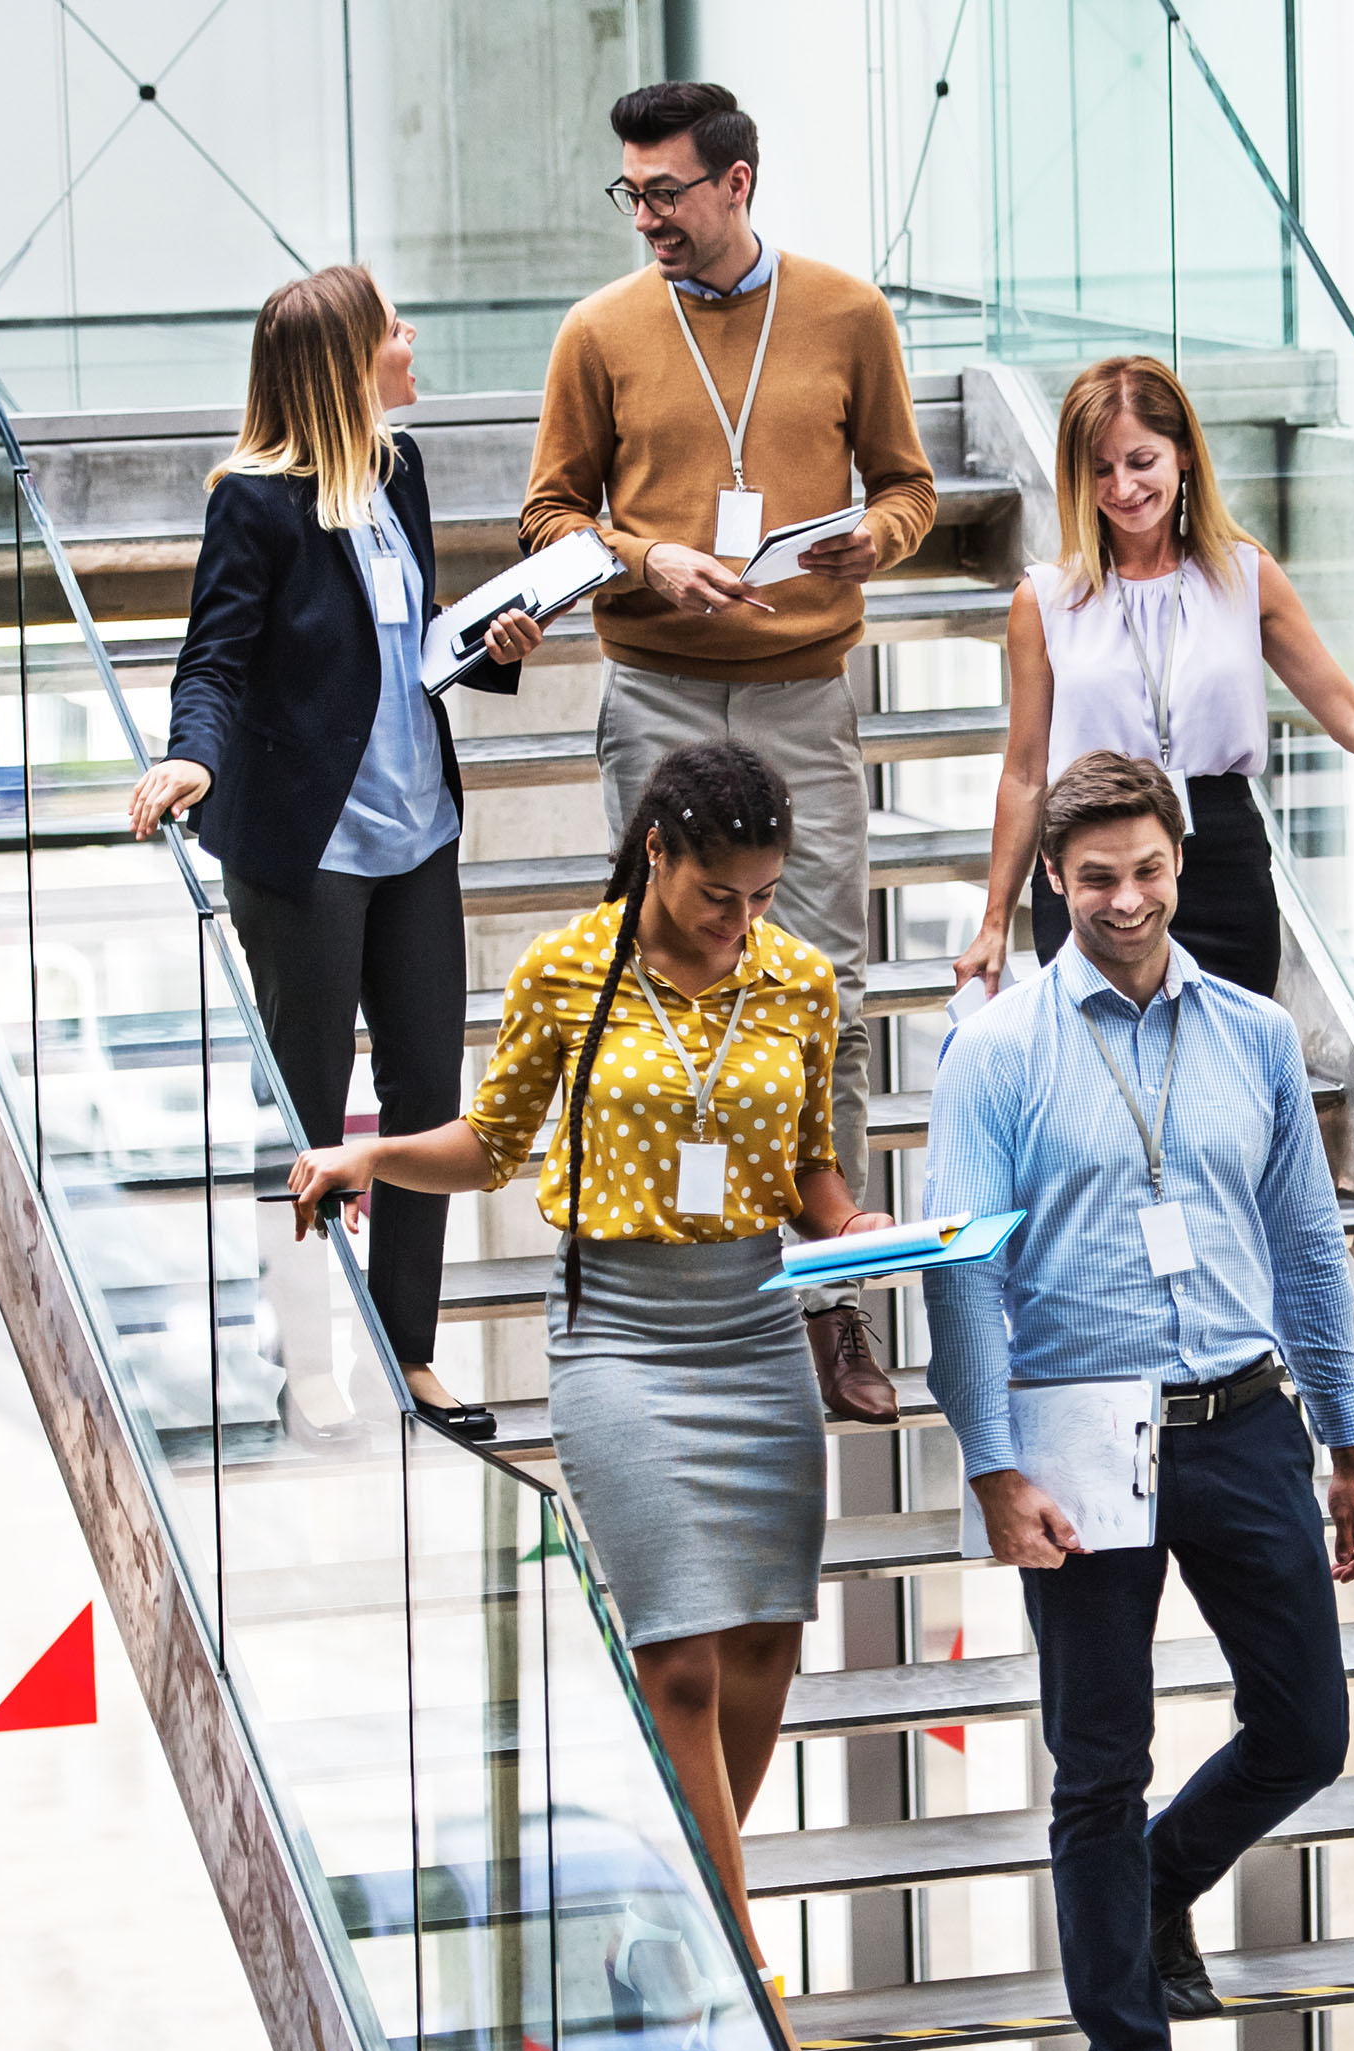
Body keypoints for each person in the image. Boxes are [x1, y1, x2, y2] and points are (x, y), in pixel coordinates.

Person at [285, 741, 884, 2051]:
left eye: (762, 896)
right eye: (719, 895)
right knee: (677, 1661)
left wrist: (885, 1240)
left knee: (762, 1655)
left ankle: (691, 1910)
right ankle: (747, 1994)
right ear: (659, 852)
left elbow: (812, 1184)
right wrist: (372, 1152)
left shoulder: (793, 981)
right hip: (617, 1333)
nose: (742, 923)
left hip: (753, 1329)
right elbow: (490, 1145)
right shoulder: (571, 969)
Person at [921, 751, 1354, 2051]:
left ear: (1182, 862)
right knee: (1098, 1767)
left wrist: (1350, 1440)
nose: (1127, 901)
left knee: (1306, 1727)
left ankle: (1163, 1883)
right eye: (1096, 878)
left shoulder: (1251, 1035)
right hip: (1078, 1433)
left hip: (1245, 1417)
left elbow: (1310, 1248)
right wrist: (992, 1470)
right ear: (1055, 883)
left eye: (1148, 870)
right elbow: (962, 1280)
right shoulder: (997, 1052)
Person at [522, 80, 936, 1430]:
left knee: (828, 993)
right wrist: (654, 560)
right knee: (654, 986)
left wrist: (872, 540)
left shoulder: (847, 315)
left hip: (805, 697)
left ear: (738, 183)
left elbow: (909, 489)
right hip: (652, 692)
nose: (647, 217)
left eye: (668, 193)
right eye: (629, 193)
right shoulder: (599, 332)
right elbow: (549, 517)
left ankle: (834, 1312)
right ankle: (660, 1303)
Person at [131, 265, 538, 1435]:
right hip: (307, 854)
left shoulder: (397, 473)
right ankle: (307, 1360)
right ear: (348, 363)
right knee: (308, 1113)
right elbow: (213, 657)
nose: (412, 338)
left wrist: (493, 644)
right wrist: (193, 758)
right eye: (392, 328)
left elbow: (409, 640)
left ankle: (403, 1355)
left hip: (418, 837)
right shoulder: (253, 503)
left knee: (426, 1098)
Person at [952, 354, 1354, 1004]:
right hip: (1094, 864)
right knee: (1106, 1090)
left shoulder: (1244, 575)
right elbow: (1027, 774)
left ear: (1184, 456)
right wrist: (995, 922)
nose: (1122, 487)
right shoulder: (1046, 601)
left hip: (1223, 860)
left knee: (1228, 1088)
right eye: (1100, 470)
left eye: (1140, 462)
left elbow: (1352, 715)